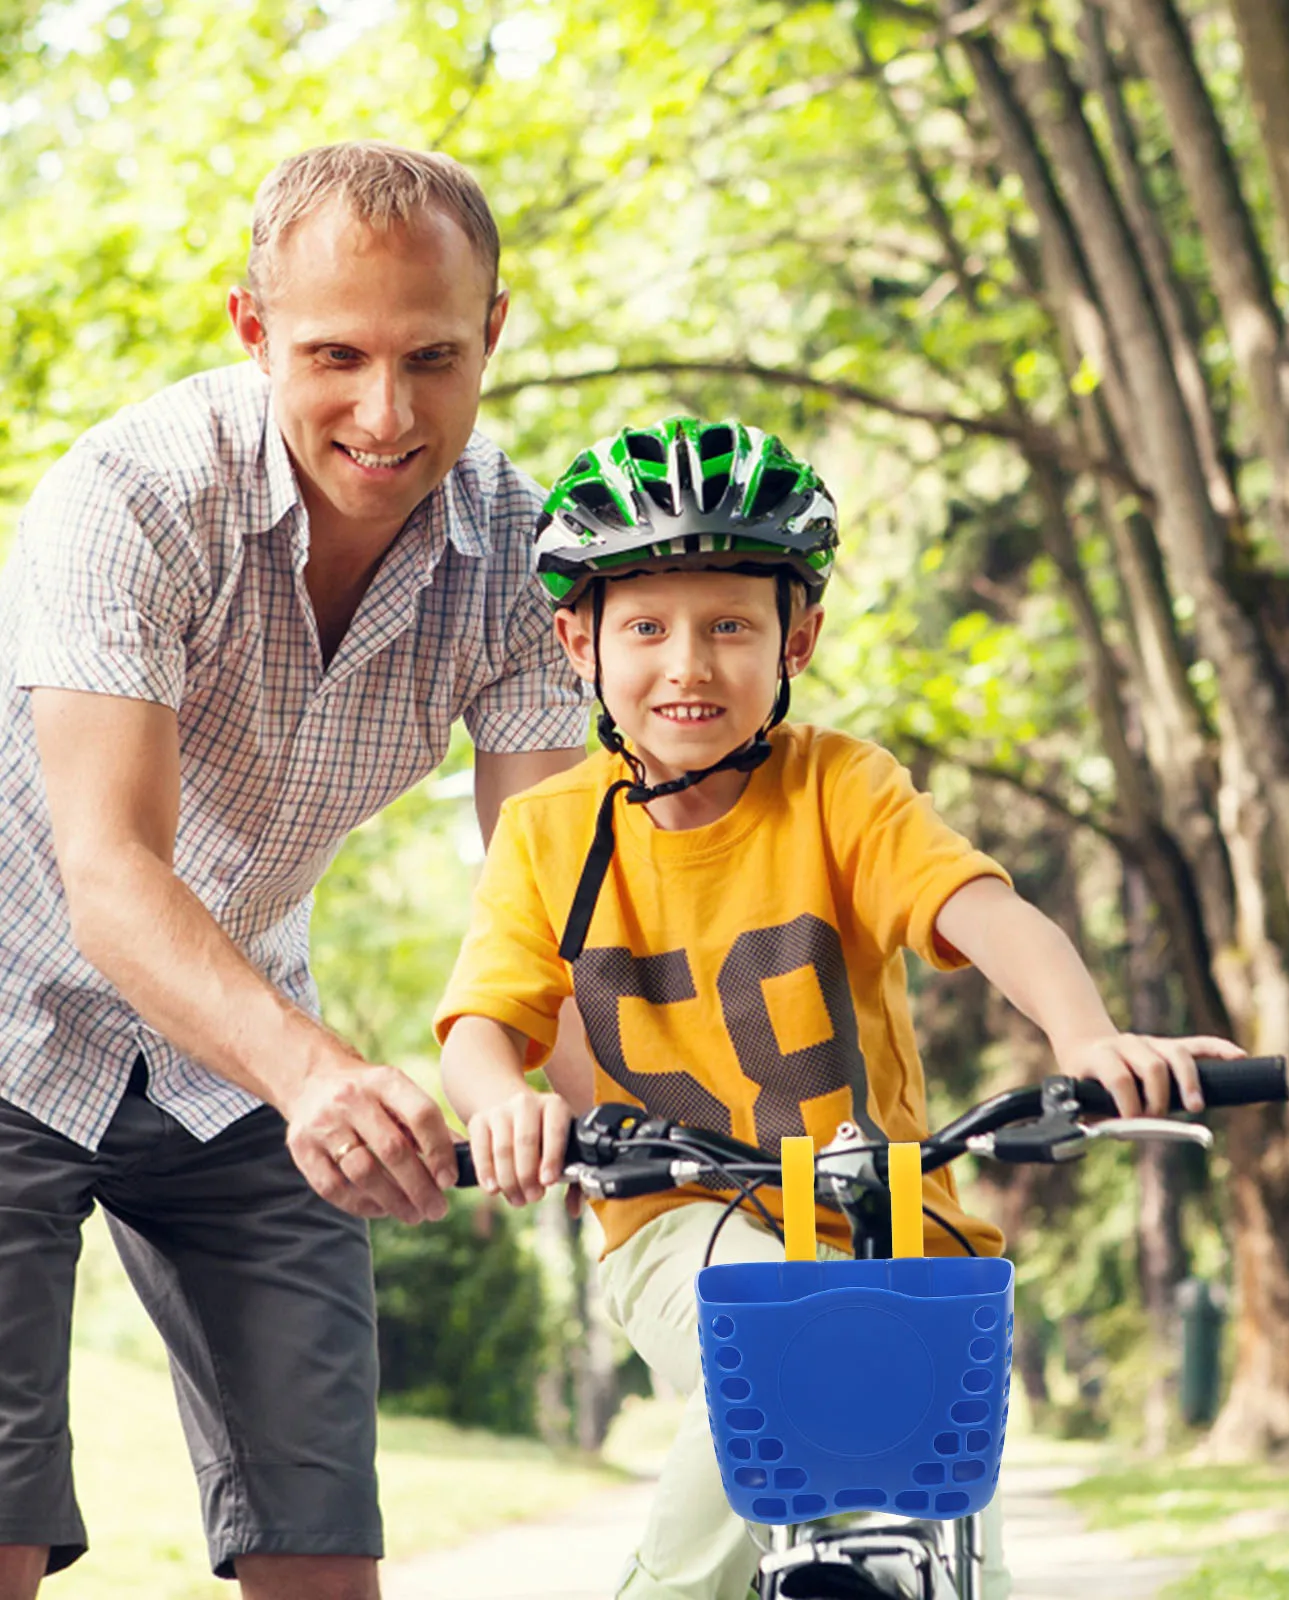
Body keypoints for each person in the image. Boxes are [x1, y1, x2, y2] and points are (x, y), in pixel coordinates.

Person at [433, 415, 1244, 1600]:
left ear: (795, 636)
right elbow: (483, 1023)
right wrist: (501, 1101)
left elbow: (980, 908)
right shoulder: (552, 832)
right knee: (769, 1330)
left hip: (899, 1232)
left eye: (729, 627)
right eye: (647, 626)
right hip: (682, 1223)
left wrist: (1086, 1034)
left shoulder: (841, 787)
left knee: (958, 1561)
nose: (688, 664)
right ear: (578, 639)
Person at [0, 142, 590, 1600]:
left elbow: (554, 895)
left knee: (323, 1552)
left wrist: (618, 1127)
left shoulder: (522, 553)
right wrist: (321, 1075)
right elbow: (110, 871)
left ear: (494, 334)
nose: (386, 415)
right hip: (17, 1017)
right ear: (252, 329)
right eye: (336, 354)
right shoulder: (132, 497)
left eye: (433, 358)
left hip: (232, 1057)